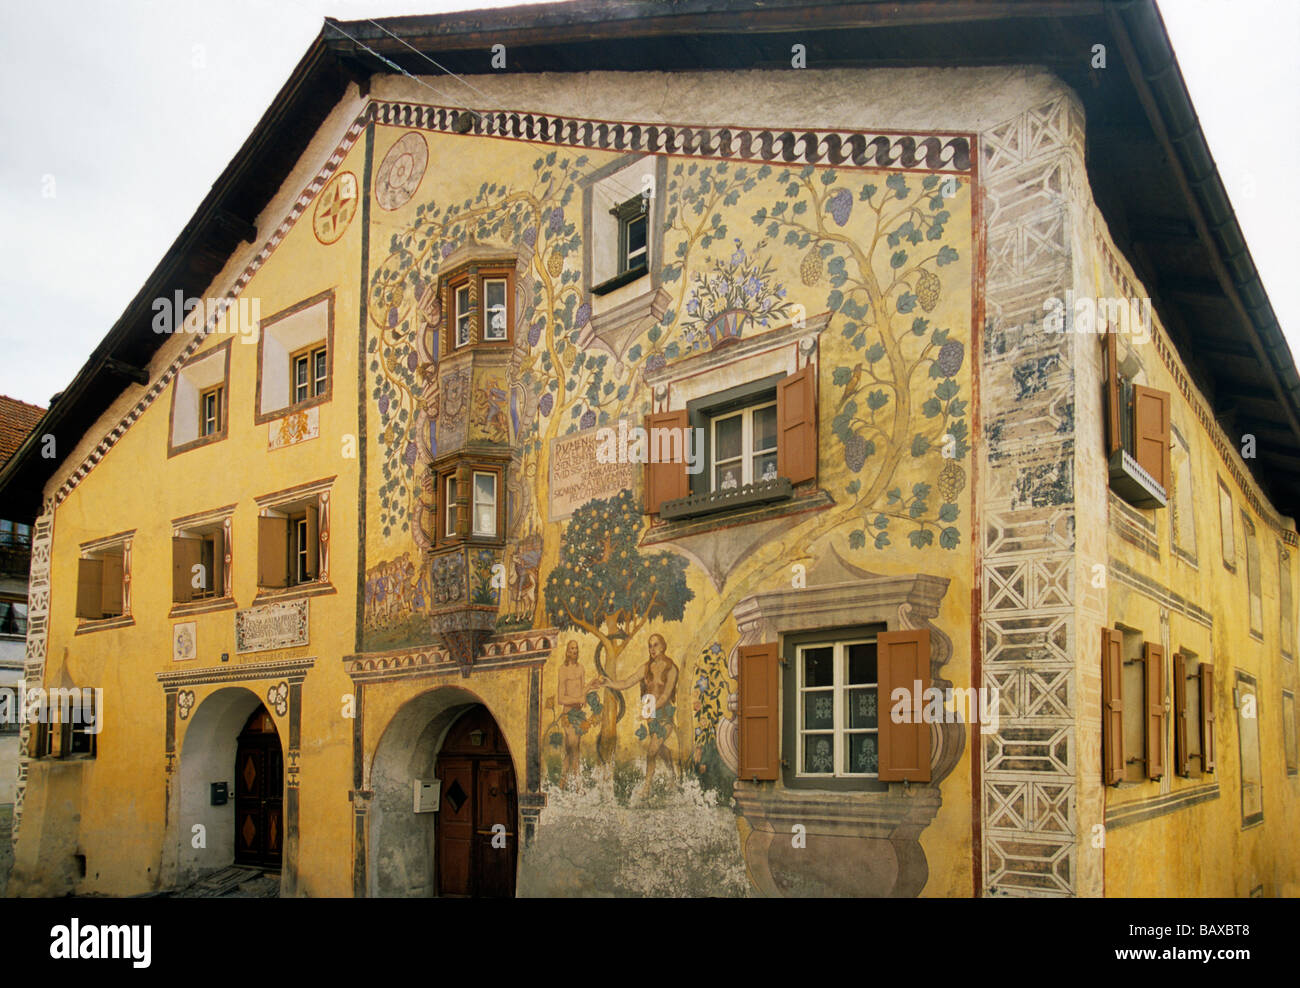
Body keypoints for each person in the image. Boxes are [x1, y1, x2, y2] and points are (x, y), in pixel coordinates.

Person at [596, 633, 679, 797]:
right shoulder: (646, 668)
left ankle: (646, 788)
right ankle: (673, 777)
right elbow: (627, 682)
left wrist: (649, 709)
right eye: (650, 645)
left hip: (665, 716)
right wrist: (609, 683)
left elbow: (665, 695)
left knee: (651, 750)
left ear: (663, 646)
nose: (652, 649)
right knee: (660, 749)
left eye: (655, 645)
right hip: (651, 717)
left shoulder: (671, 668)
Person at [556, 641, 589, 784]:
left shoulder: (581, 668)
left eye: (576, 648)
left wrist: (586, 697)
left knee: (571, 749)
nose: (574, 651)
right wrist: (578, 699)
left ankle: (562, 781)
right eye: (572, 649)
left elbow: (583, 691)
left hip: (579, 715)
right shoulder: (563, 670)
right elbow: (561, 698)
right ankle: (578, 783)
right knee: (574, 747)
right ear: (567, 652)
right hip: (568, 715)